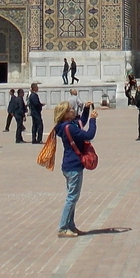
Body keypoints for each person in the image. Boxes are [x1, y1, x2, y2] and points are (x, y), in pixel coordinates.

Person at [54, 100, 97, 237]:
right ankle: (63, 227)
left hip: (68, 165)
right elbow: (89, 135)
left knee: (73, 196)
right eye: (70, 109)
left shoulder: (66, 126)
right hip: (73, 166)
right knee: (72, 197)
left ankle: (70, 225)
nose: (73, 110)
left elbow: (81, 121)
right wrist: (93, 120)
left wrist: (86, 109)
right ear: (65, 114)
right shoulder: (70, 128)